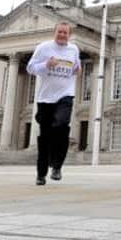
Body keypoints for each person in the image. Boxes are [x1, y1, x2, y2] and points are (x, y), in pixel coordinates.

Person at [27, 21, 80, 186]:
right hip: (45, 98)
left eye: (65, 32)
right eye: (60, 32)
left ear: (69, 34)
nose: (62, 35)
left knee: (61, 125)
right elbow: (30, 68)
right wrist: (46, 65)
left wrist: (77, 70)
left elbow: (75, 67)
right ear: (54, 32)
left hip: (65, 95)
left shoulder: (74, 49)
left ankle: (57, 166)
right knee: (45, 137)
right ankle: (41, 174)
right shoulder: (43, 48)